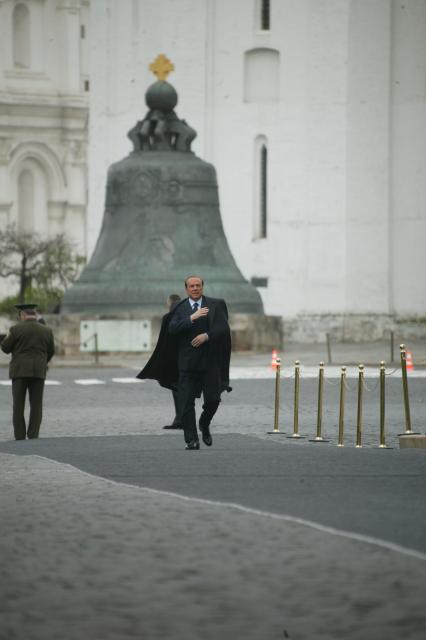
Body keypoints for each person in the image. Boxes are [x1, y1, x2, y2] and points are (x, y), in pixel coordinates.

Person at [138, 276, 231, 450]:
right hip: (187, 364)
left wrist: (207, 335)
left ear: (203, 287)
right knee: (186, 403)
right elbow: (172, 328)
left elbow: (223, 329)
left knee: (213, 400)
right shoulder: (180, 308)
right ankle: (191, 439)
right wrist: (192, 318)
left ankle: (204, 423)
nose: (195, 288)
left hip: (210, 363)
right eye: (191, 286)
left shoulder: (215, 305)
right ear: (186, 289)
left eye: (198, 285)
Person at [1, 303, 55, 440]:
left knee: (18, 406)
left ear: (23, 315)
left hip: (19, 372)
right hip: (38, 371)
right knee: (36, 405)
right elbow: (51, 351)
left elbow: (6, 348)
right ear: (35, 315)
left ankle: (19, 436)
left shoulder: (15, 329)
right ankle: (33, 435)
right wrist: (43, 362)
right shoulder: (47, 331)